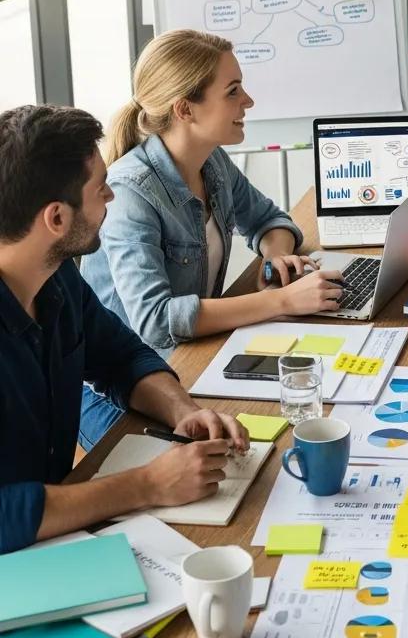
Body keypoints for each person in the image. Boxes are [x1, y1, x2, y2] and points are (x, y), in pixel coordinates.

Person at [0, 104, 249, 555]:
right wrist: (145, 485)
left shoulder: (55, 275)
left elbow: (120, 355)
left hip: (59, 535)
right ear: (56, 219)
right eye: (101, 189)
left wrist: (181, 410)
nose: (111, 198)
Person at [79, 30, 346, 447]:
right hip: (123, 390)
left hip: (194, 355)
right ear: (185, 109)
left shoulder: (212, 161)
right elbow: (156, 321)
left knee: (307, 407)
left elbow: (269, 219)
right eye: (234, 91)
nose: (249, 101)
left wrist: (276, 256)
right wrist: (281, 301)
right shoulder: (131, 193)